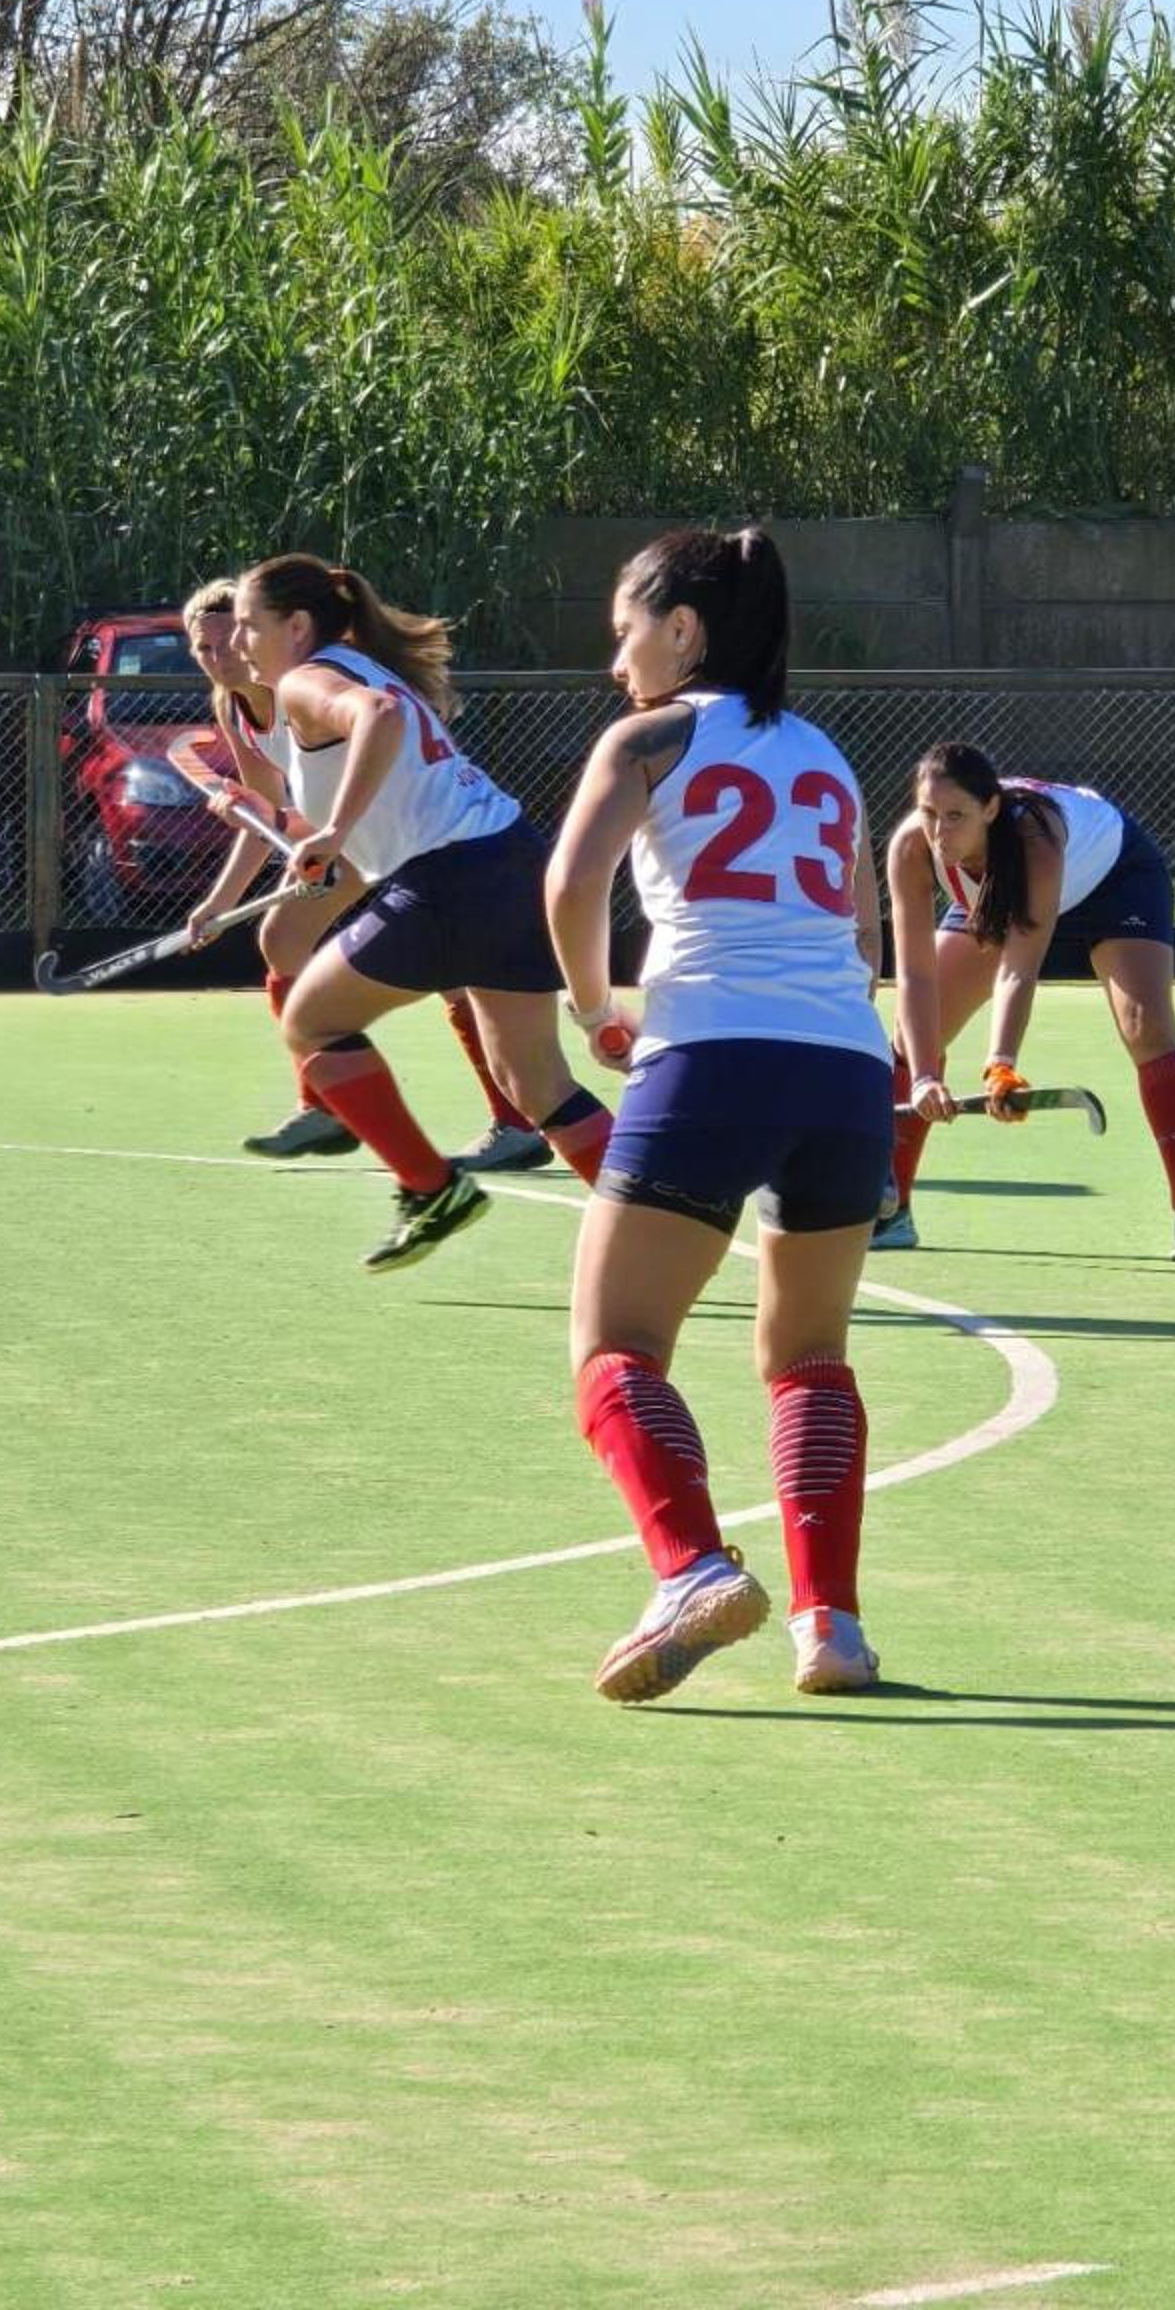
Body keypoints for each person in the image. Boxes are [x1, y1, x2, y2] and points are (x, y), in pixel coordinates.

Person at [545, 526, 893, 1703]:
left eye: (626, 630)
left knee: (612, 1348)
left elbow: (572, 884)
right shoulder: (830, 756)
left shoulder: (648, 737)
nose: (617, 661)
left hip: (710, 1057)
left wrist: (597, 1008)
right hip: (847, 1073)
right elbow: (861, 937)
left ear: (683, 629)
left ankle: (691, 1564)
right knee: (809, 1358)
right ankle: (832, 1628)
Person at [227, 552, 615, 1271]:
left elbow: (379, 720)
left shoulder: (310, 680)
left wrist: (335, 831)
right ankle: (656, 1216)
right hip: (512, 857)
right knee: (537, 1083)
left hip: (450, 878)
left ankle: (432, 1190)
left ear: (298, 626)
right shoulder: (358, 666)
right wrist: (332, 841)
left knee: (310, 1021)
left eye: (250, 625)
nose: (238, 641)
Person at [180, 582, 552, 1173]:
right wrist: (216, 901)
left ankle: (514, 1125)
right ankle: (323, 1106)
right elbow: (265, 812)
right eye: (203, 648)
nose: (221, 657)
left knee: (457, 974)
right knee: (281, 939)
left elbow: (297, 808)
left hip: (403, 829)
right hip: (357, 836)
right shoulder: (235, 708)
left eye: (233, 638)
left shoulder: (305, 683)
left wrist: (291, 824)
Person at [881, 740, 1175, 1262]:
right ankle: (893, 1211)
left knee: (1146, 1028)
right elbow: (915, 976)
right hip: (1001, 897)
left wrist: (1000, 1065)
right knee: (912, 1038)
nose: (939, 832)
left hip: (1115, 882)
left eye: (956, 816)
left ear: (990, 809)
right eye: (929, 813)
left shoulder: (1033, 838)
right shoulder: (910, 848)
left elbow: (1019, 966)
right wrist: (925, 1076)